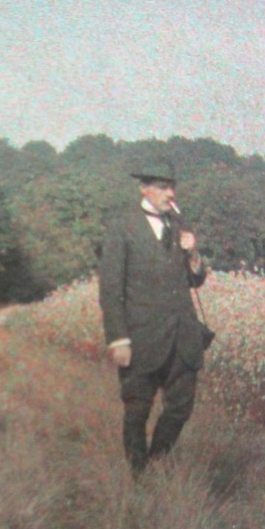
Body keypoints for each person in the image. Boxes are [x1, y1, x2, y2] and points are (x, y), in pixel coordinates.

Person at [97, 170, 208, 476]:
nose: (170, 194)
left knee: (181, 408)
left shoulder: (179, 226)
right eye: (162, 188)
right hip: (140, 337)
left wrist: (193, 253)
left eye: (172, 187)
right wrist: (118, 338)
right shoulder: (122, 227)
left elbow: (195, 280)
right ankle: (137, 474)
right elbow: (110, 288)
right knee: (136, 410)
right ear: (144, 189)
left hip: (182, 336)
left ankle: (156, 463)